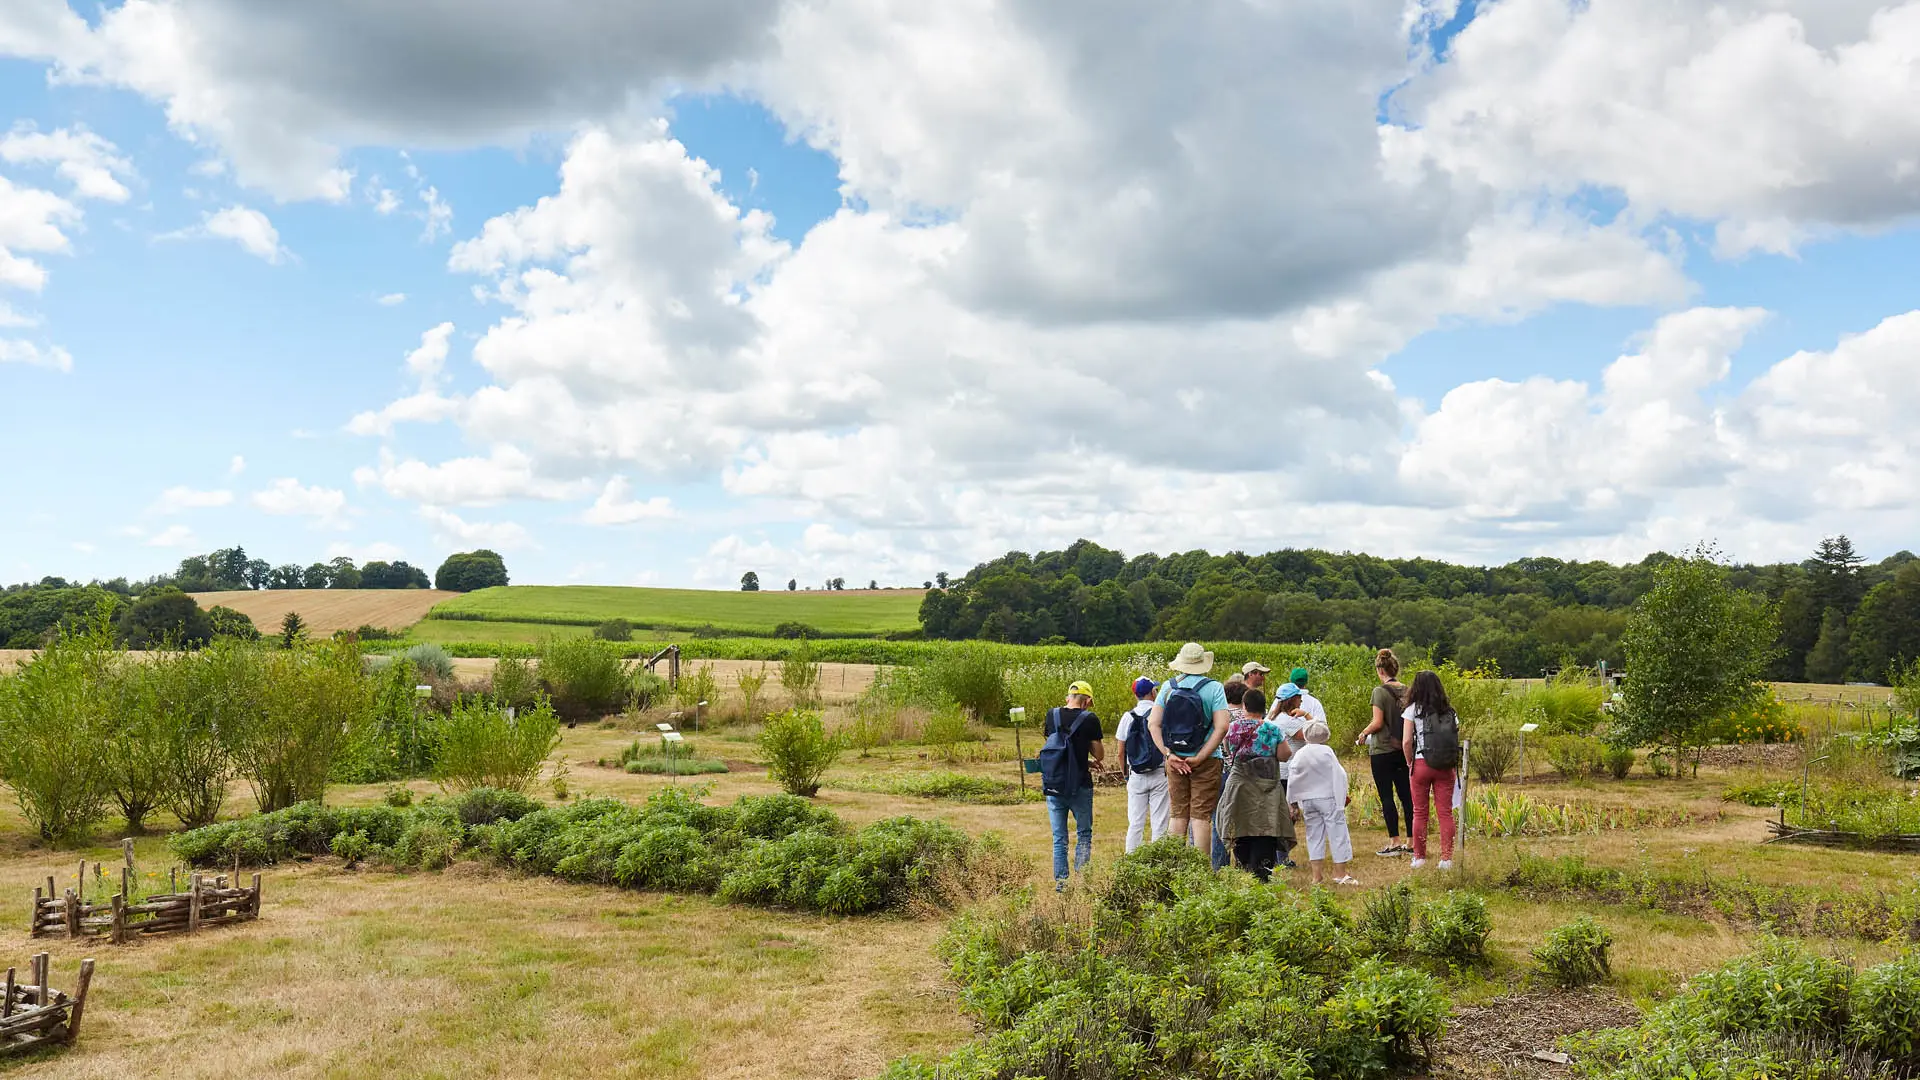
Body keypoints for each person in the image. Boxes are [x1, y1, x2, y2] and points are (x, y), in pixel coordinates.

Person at [1147, 642, 1233, 855]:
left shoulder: (1168, 687)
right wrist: (1202, 756)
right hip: (1208, 759)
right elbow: (1222, 726)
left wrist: (1169, 755)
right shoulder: (1213, 688)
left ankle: (1175, 869)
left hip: (1175, 759)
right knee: (1201, 816)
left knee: (1177, 815)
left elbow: (1153, 723)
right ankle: (1199, 873)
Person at [1218, 687, 1293, 881]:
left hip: (1240, 786)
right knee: (1265, 827)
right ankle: (1262, 873)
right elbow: (1285, 755)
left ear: (1244, 706)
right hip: (1266, 787)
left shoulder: (1233, 728)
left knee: (1241, 825)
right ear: (1264, 707)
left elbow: (1228, 750)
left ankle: (1243, 869)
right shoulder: (1272, 729)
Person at [1041, 680, 1105, 888]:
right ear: (1087, 701)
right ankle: (1082, 881)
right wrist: (1086, 757)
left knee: (1059, 837)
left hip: (1055, 783)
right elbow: (1099, 754)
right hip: (1080, 784)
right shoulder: (1090, 719)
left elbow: (1057, 748)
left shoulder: (1052, 715)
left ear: (1068, 698)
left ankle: (1062, 884)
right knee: (1083, 833)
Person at [1354, 648, 1414, 857]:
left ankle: (1394, 841)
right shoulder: (1407, 691)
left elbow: (1378, 722)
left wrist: (1363, 732)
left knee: (1387, 796)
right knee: (1407, 796)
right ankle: (1411, 841)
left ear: (1380, 670)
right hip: (1403, 748)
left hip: (1382, 750)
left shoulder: (1379, 692)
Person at [1401, 670, 1460, 870]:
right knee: (1445, 813)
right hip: (1445, 765)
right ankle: (1446, 859)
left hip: (1421, 762)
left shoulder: (1412, 710)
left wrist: (1410, 762)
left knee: (1419, 812)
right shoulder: (1450, 711)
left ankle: (1419, 857)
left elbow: (1407, 741)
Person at [1288, 719, 1359, 886]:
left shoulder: (1300, 754)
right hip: (1328, 798)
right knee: (1337, 833)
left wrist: (1292, 801)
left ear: (1305, 735)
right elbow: (1339, 775)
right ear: (1326, 735)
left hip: (1307, 800)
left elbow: (1293, 777)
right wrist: (1341, 796)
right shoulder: (1327, 752)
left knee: (1314, 835)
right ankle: (1340, 873)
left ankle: (1316, 876)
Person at [1113, 676, 1170, 852]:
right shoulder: (1161, 714)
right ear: (1152, 693)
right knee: (1159, 822)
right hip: (1159, 772)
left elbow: (1121, 752)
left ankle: (1131, 858)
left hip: (1136, 773)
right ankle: (1158, 860)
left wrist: (1125, 775)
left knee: (1135, 822)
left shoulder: (1127, 717)